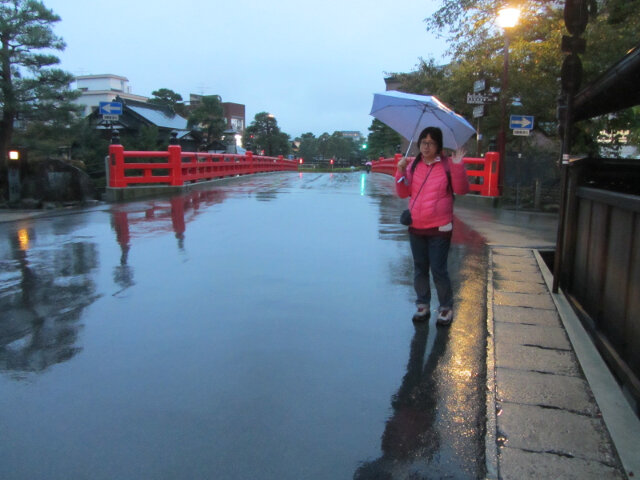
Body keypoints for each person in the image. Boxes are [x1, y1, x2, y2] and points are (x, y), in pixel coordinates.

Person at [395, 126, 469, 325]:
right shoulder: (413, 165)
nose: (426, 147)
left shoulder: (446, 166)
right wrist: (400, 171)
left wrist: (457, 166)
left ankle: (445, 307)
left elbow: (461, 190)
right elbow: (403, 192)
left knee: (438, 268)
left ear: (438, 146)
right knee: (420, 268)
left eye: (431, 143)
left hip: (440, 227)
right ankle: (422, 305)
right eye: (423, 142)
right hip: (416, 226)